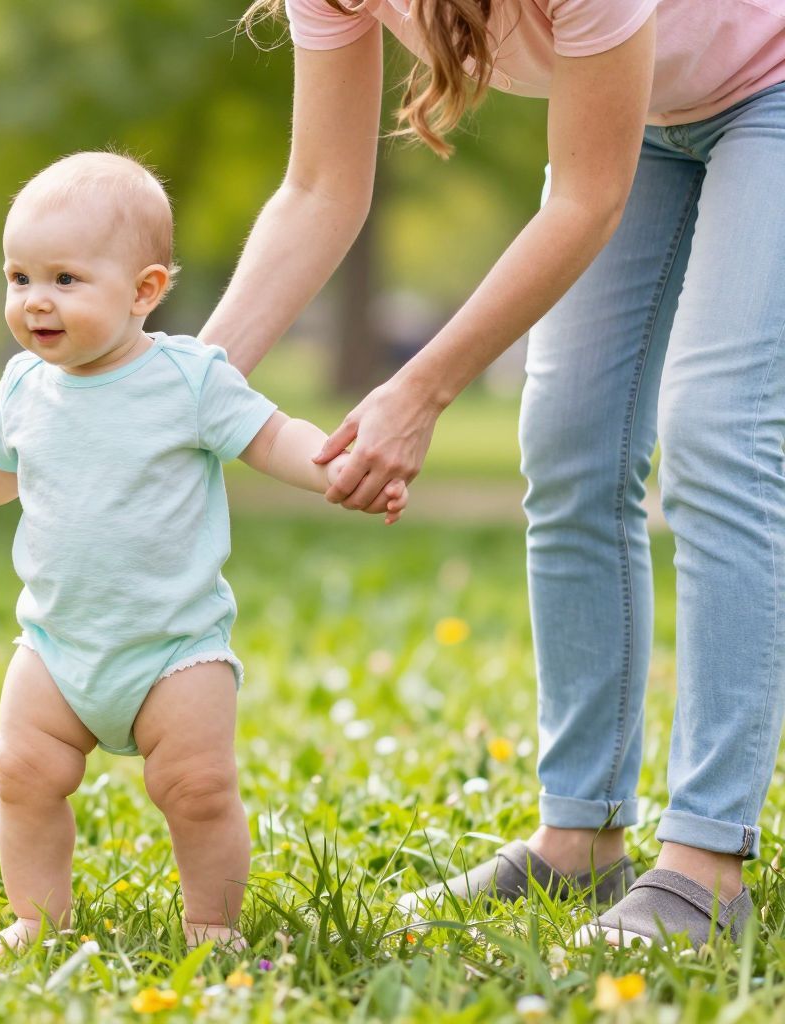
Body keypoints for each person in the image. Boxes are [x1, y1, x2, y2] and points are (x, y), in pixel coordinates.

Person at [203, 0, 785, 946]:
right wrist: (185, 387)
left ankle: (706, 864)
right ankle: (580, 838)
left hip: (772, 87)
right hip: (640, 109)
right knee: (568, 442)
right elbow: (317, 189)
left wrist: (421, 388)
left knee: (717, 431)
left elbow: (585, 201)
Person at [0, 151, 407, 952]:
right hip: (56, 644)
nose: (36, 300)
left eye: (65, 279)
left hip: (175, 649)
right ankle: (36, 919)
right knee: (22, 773)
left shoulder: (189, 379)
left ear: (144, 290)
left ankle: (211, 923)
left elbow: (270, 437)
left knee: (198, 788)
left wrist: (336, 469)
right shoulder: (23, 387)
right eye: (19, 278)